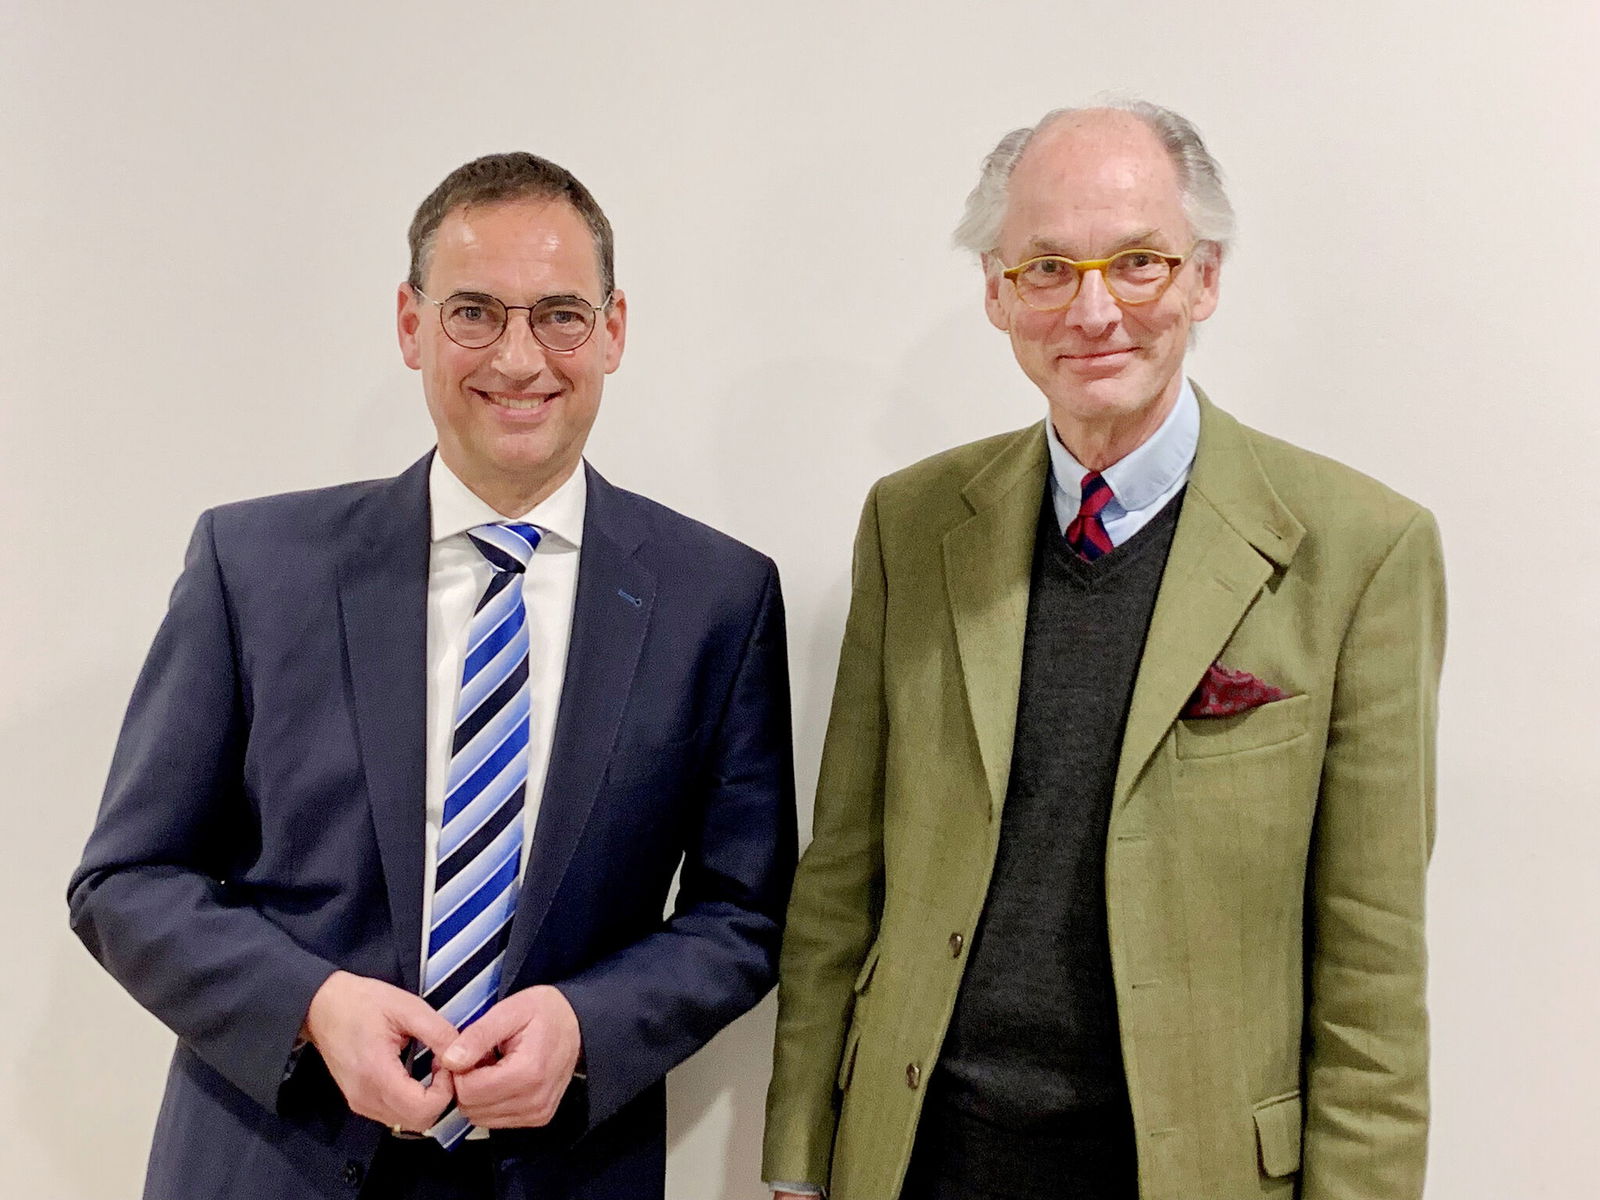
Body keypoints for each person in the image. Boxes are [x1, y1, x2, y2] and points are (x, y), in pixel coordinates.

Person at [69, 152, 796, 1200]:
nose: (517, 356)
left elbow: (743, 913)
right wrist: (313, 1007)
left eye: (558, 314)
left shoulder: (716, 598)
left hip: (563, 1171)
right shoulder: (256, 567)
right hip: (274, 1161)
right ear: (411, 325)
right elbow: (125, 881)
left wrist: (587, 1027)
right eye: (472, 313)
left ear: (614, 329)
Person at [763, 101, 1444, 1200]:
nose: (1093, 310)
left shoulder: (1360, 550)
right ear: (996, 290)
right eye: (1046, 268)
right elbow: (843, 877)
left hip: (1193, 1171)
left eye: (1138, 262)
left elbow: (1372, 965)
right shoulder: (911, 523)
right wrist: (798, 1157)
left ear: (1203, 278)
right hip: (926, 1156)